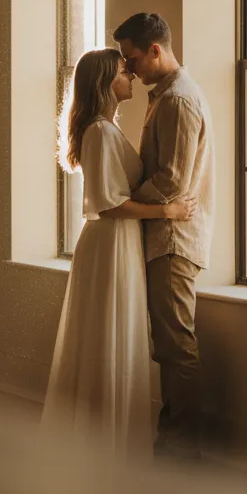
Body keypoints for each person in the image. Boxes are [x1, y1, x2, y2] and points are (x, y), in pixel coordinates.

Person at [42, 47, 194, 455]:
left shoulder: (104, 129)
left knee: (116, 334)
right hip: (110, 240)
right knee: (109, 335)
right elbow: (107, 203)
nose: (130, 75)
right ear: (106, 81)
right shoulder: (99, 131)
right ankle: (106, 444)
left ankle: (116, 438)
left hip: (118, 240)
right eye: (124, 71)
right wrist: (168, 209)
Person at [113, 13, 214, 461]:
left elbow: (172, 181)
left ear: (155, 50)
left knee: (176, 346)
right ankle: (173, 441)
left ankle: (182, 451)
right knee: (170, 345)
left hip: (173, 239)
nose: (128, 70)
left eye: (131, 60)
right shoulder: (167, 96)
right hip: (164, 233)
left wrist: (123, 198)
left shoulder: (177, 102)